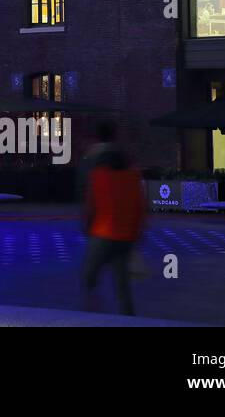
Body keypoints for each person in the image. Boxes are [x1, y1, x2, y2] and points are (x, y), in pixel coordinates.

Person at [81, 122, 144, 317]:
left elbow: (91, 205)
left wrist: (87, 226)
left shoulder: (99, 176)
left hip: (103, 233)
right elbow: (140, 208)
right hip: (125, 236)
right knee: (122, 283)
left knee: (89, 275)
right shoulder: (132, 178)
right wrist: (136, 234)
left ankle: (92, 315)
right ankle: (128, 318)